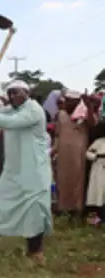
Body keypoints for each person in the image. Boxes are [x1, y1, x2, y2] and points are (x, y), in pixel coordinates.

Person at [0, 79, 52, 263]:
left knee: (34, 212)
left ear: (27, 93)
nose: (13, 96)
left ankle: (35, 252)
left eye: (17, 92)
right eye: (10, 93)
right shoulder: (11, 110)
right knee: (0, 204)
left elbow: (11, 122)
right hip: (13, 170)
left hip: (33, 172)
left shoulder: (34, 110)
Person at [53, 90, 97, 219]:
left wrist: (89, 107)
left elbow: (93, 123)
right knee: (62, 179)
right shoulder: (61, 114)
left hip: (78, 152)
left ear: (77, 102)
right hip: (63, 152)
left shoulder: (83, 114)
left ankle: (76, 210)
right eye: (65, 99)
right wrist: (54, 150)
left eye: (69, 100)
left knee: (77, 179)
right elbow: (57, 134)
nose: (66, 102)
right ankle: (62, 208)